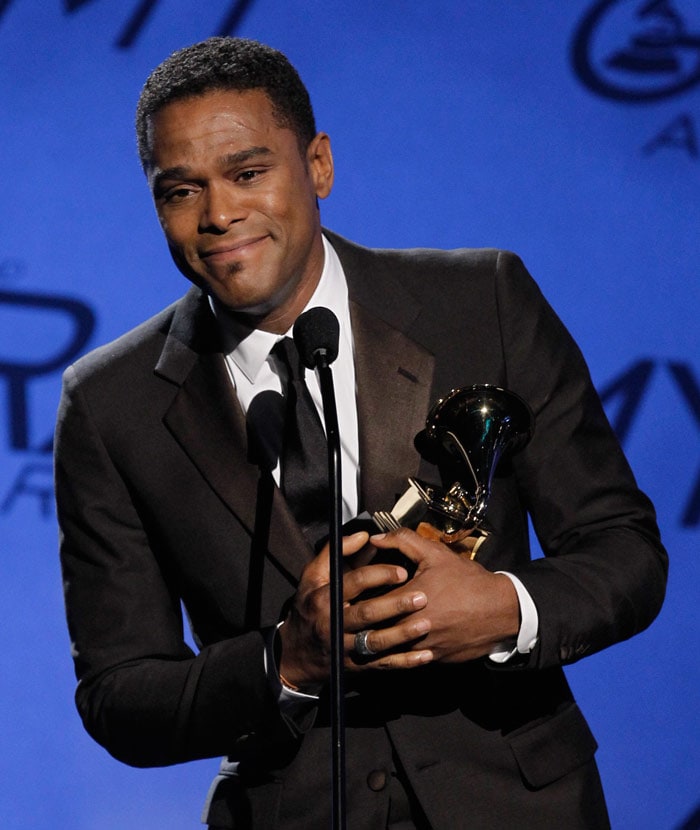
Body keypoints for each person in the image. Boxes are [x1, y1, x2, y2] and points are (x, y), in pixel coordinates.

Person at [54, 36, 668, 830]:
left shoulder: (484, 302)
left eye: (247, 173)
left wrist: (504, 610)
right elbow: (119, 694)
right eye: (180, 191)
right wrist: (286, 662)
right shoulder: (110, 405)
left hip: (518, 802)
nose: (218, 215)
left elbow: (625, 551)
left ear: (318, 166)